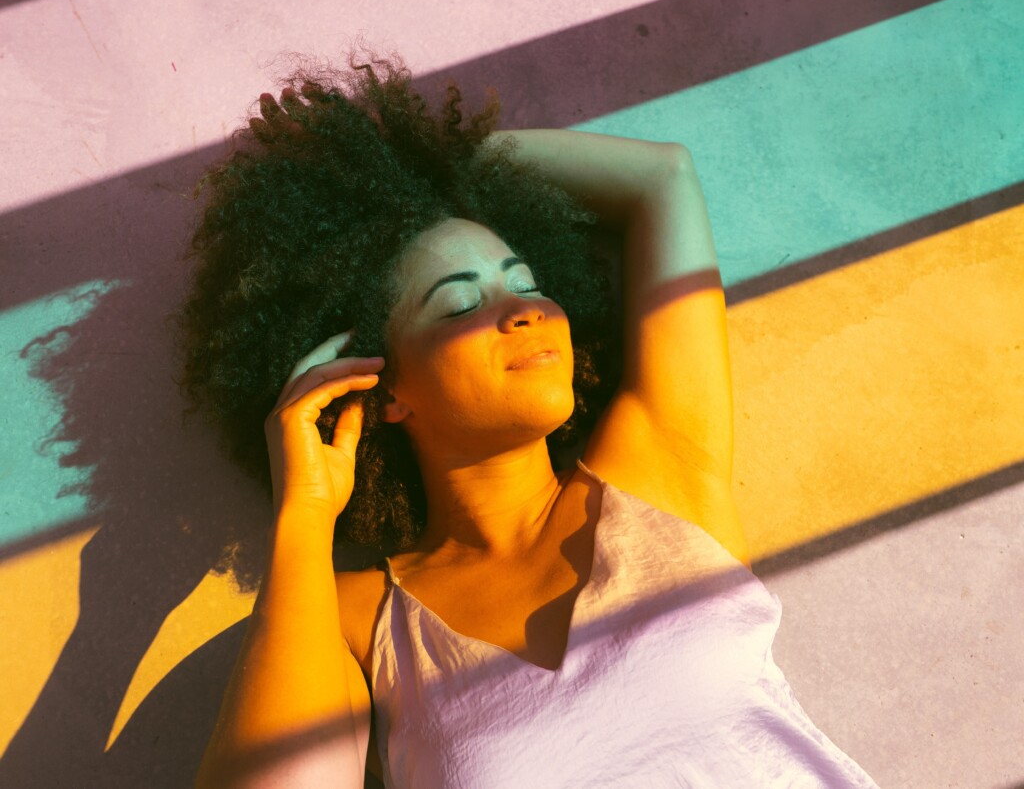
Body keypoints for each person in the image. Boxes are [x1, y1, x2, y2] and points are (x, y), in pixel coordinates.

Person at [179, 56, 880, 788]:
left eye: (528, 283)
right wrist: (303, 516)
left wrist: (429, 167)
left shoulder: (655, 473)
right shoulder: (360, 623)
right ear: (384, 391)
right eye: (459, 305)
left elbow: (662, 179)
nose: (523, 310)